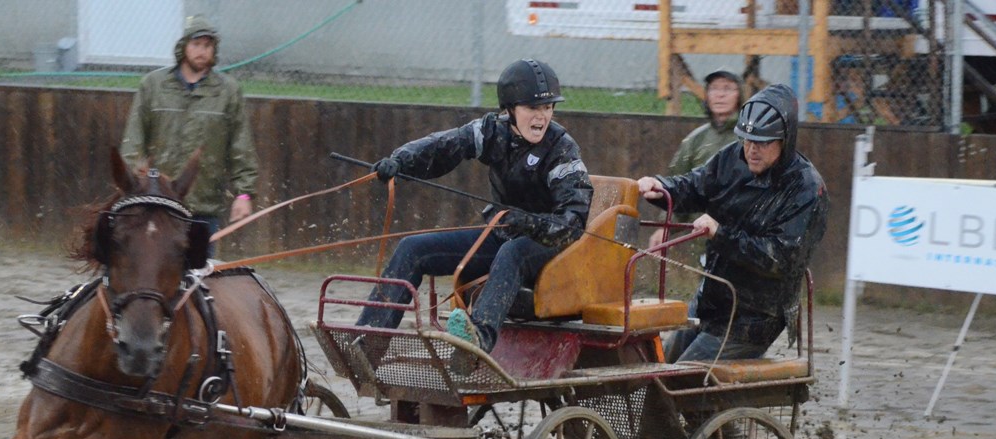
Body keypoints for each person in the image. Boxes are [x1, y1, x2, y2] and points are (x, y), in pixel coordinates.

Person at [355, 58, 593, 358]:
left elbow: (572, 224)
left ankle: (478, 341)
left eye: (547, 108)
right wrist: (401, 161)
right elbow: (445, 145)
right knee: (412, 248)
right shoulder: (493, 132)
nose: (542, 117)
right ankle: (367, 344)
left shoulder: (562, 149)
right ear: (509, 110)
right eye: (533, 108)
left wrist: (530, 224)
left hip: (552, 249)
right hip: (505, 234)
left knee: (514, 251)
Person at [636, 83, 828, 364]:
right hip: (713, 298)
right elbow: (695, 185)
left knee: (682, 377)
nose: (751, 149)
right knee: (661, 365)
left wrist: (721, 234)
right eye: (747, 139)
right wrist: (661, 188)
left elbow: (781, 259)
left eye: (762, 142)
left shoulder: (806, 189)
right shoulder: (732, 158)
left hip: (756, 315)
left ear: (785, 140)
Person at [120, 16, 258, 251]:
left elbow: (240, 145)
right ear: (183, 47)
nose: (201, 51)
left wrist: (244, 194)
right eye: (196, 45)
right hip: (156, 203)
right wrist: (136, 185)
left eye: (207, 46)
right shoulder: (153, 86)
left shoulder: (228, 92)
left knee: (198, 276)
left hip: (202, 205)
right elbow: (133, 141)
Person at [667, 69, 744, 177]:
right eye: (714, 88)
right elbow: (675, 182)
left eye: (728, 88)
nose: (720, 95)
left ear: (740, 95)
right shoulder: (695, 139)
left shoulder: (751, 136)